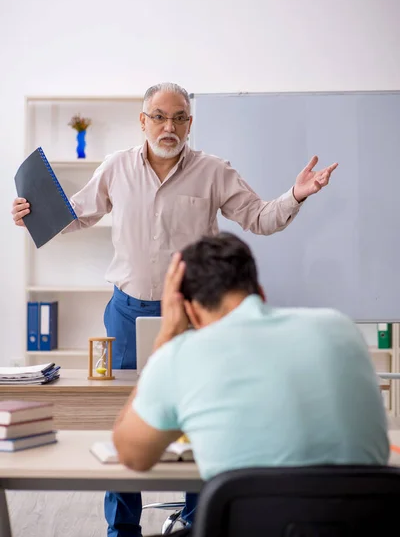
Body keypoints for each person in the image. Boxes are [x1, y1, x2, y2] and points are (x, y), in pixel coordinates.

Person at [11, 83, 338, 537]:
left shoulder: (213, 171)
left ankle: (195, 521)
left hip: (194, 312)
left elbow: (260, 218)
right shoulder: (115, 167)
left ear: (190, 122)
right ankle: (122, 528)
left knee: (198, 409)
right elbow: (75, 215)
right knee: (124, 414)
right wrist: (33, 212)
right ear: (142, 120)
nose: (170, 126)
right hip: (126, 311)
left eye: (180, 117)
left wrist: (297, 194)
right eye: (160, 116)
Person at [113, 232, 389, 537]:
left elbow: (132, 455)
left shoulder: (181, 354)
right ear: (260, 291)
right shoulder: (341, 328)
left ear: (189, 310)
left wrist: (165, 339)